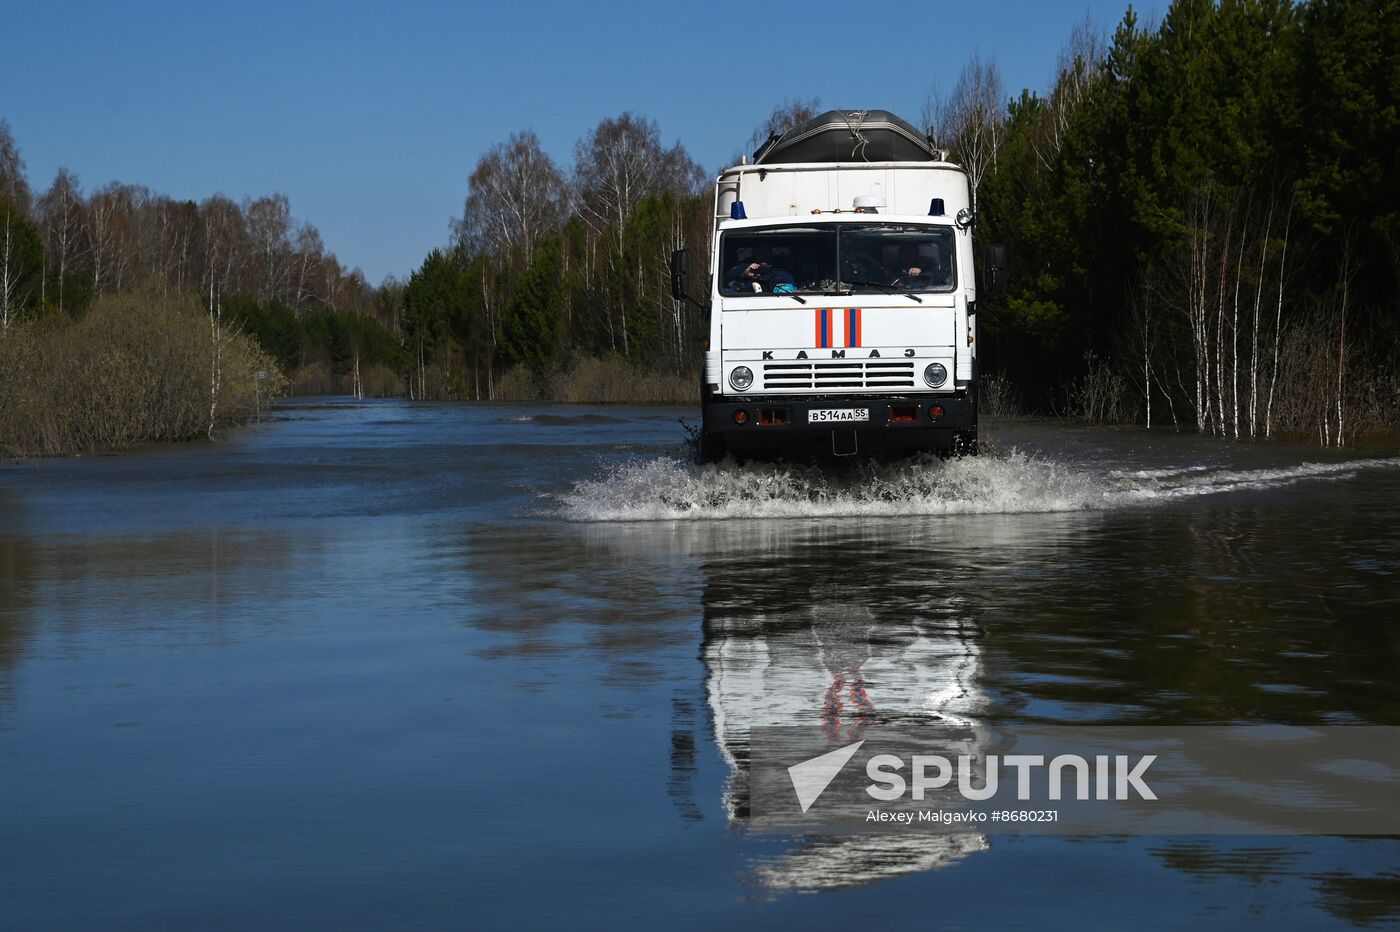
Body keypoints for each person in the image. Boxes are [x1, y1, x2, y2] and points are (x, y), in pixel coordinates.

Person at [725, 245, 796, 294]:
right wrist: (745, 274)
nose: (762, 255)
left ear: (770, 254)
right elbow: (726, 280)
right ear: (753, 254)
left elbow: (789, 291)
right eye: (759, 252)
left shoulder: (781, 274)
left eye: (765, 252)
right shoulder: (742, 268)